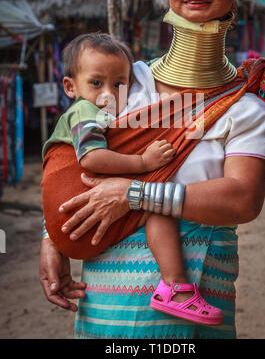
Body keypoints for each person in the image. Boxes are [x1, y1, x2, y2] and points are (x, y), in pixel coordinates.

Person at [40, 0, 265, 339]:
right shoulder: (125, 81)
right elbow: (71, 150)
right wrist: (51, 237)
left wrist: (135, 194)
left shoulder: (245, 107)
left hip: (194, 310)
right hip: (106, 308)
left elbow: (241, 199)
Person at [42, 31, 224, 325]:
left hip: (78, 225)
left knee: (152, 200)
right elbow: (91, 158)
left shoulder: (103, 111)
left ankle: (173, 286)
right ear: (69, 86)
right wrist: (143, 161)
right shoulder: (86, 112)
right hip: (75, 206)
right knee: (156, 203)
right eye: (96, 82)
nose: (108, 93)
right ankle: (175, 286)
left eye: (119, 84)